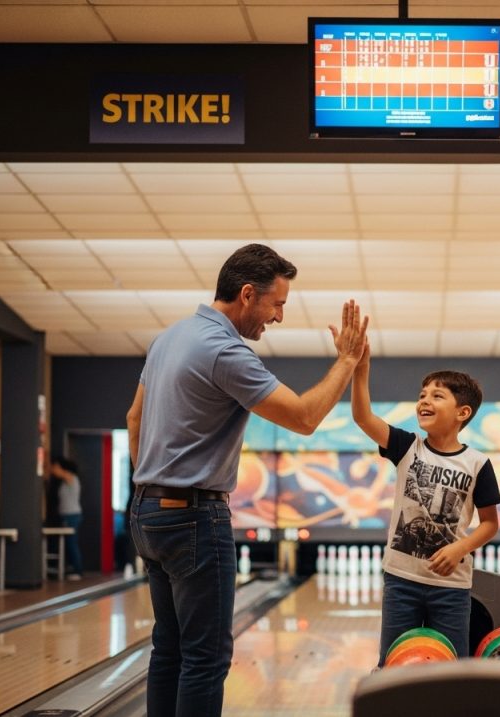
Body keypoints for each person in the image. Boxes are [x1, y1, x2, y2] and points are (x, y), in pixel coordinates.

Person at [126, 243, 367, 717]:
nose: (277, 317)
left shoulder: (168, 338)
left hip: (147, 512)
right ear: (247, 293)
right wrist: (347, 361)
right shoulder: (224, 351)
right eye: (277, 304)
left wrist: (151, 490)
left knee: (169, 650)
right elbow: (303, 417)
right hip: (194, 516)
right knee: (205, 658)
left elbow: (134, 418)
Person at [351, 342, 500, 665]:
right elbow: (363, 418)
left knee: (451, 668)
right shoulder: (407, 447)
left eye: (437, 395)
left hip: (452, 588)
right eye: (422, 395)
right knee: (392, 664)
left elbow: (491, 523)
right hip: (401, 581)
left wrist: (460, 548)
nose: (424, 400)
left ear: (463, 413)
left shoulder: (477, 463)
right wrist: (360, 369)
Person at [51, 456, 84, 580]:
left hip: (72, 516)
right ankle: (71, 567)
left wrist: (55, 469)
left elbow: (61, 474)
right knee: (67, 543)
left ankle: (78, 570)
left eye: (56, 467)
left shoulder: (72, 479)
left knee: (72, 543)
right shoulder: (65, 482)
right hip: (66, 516)